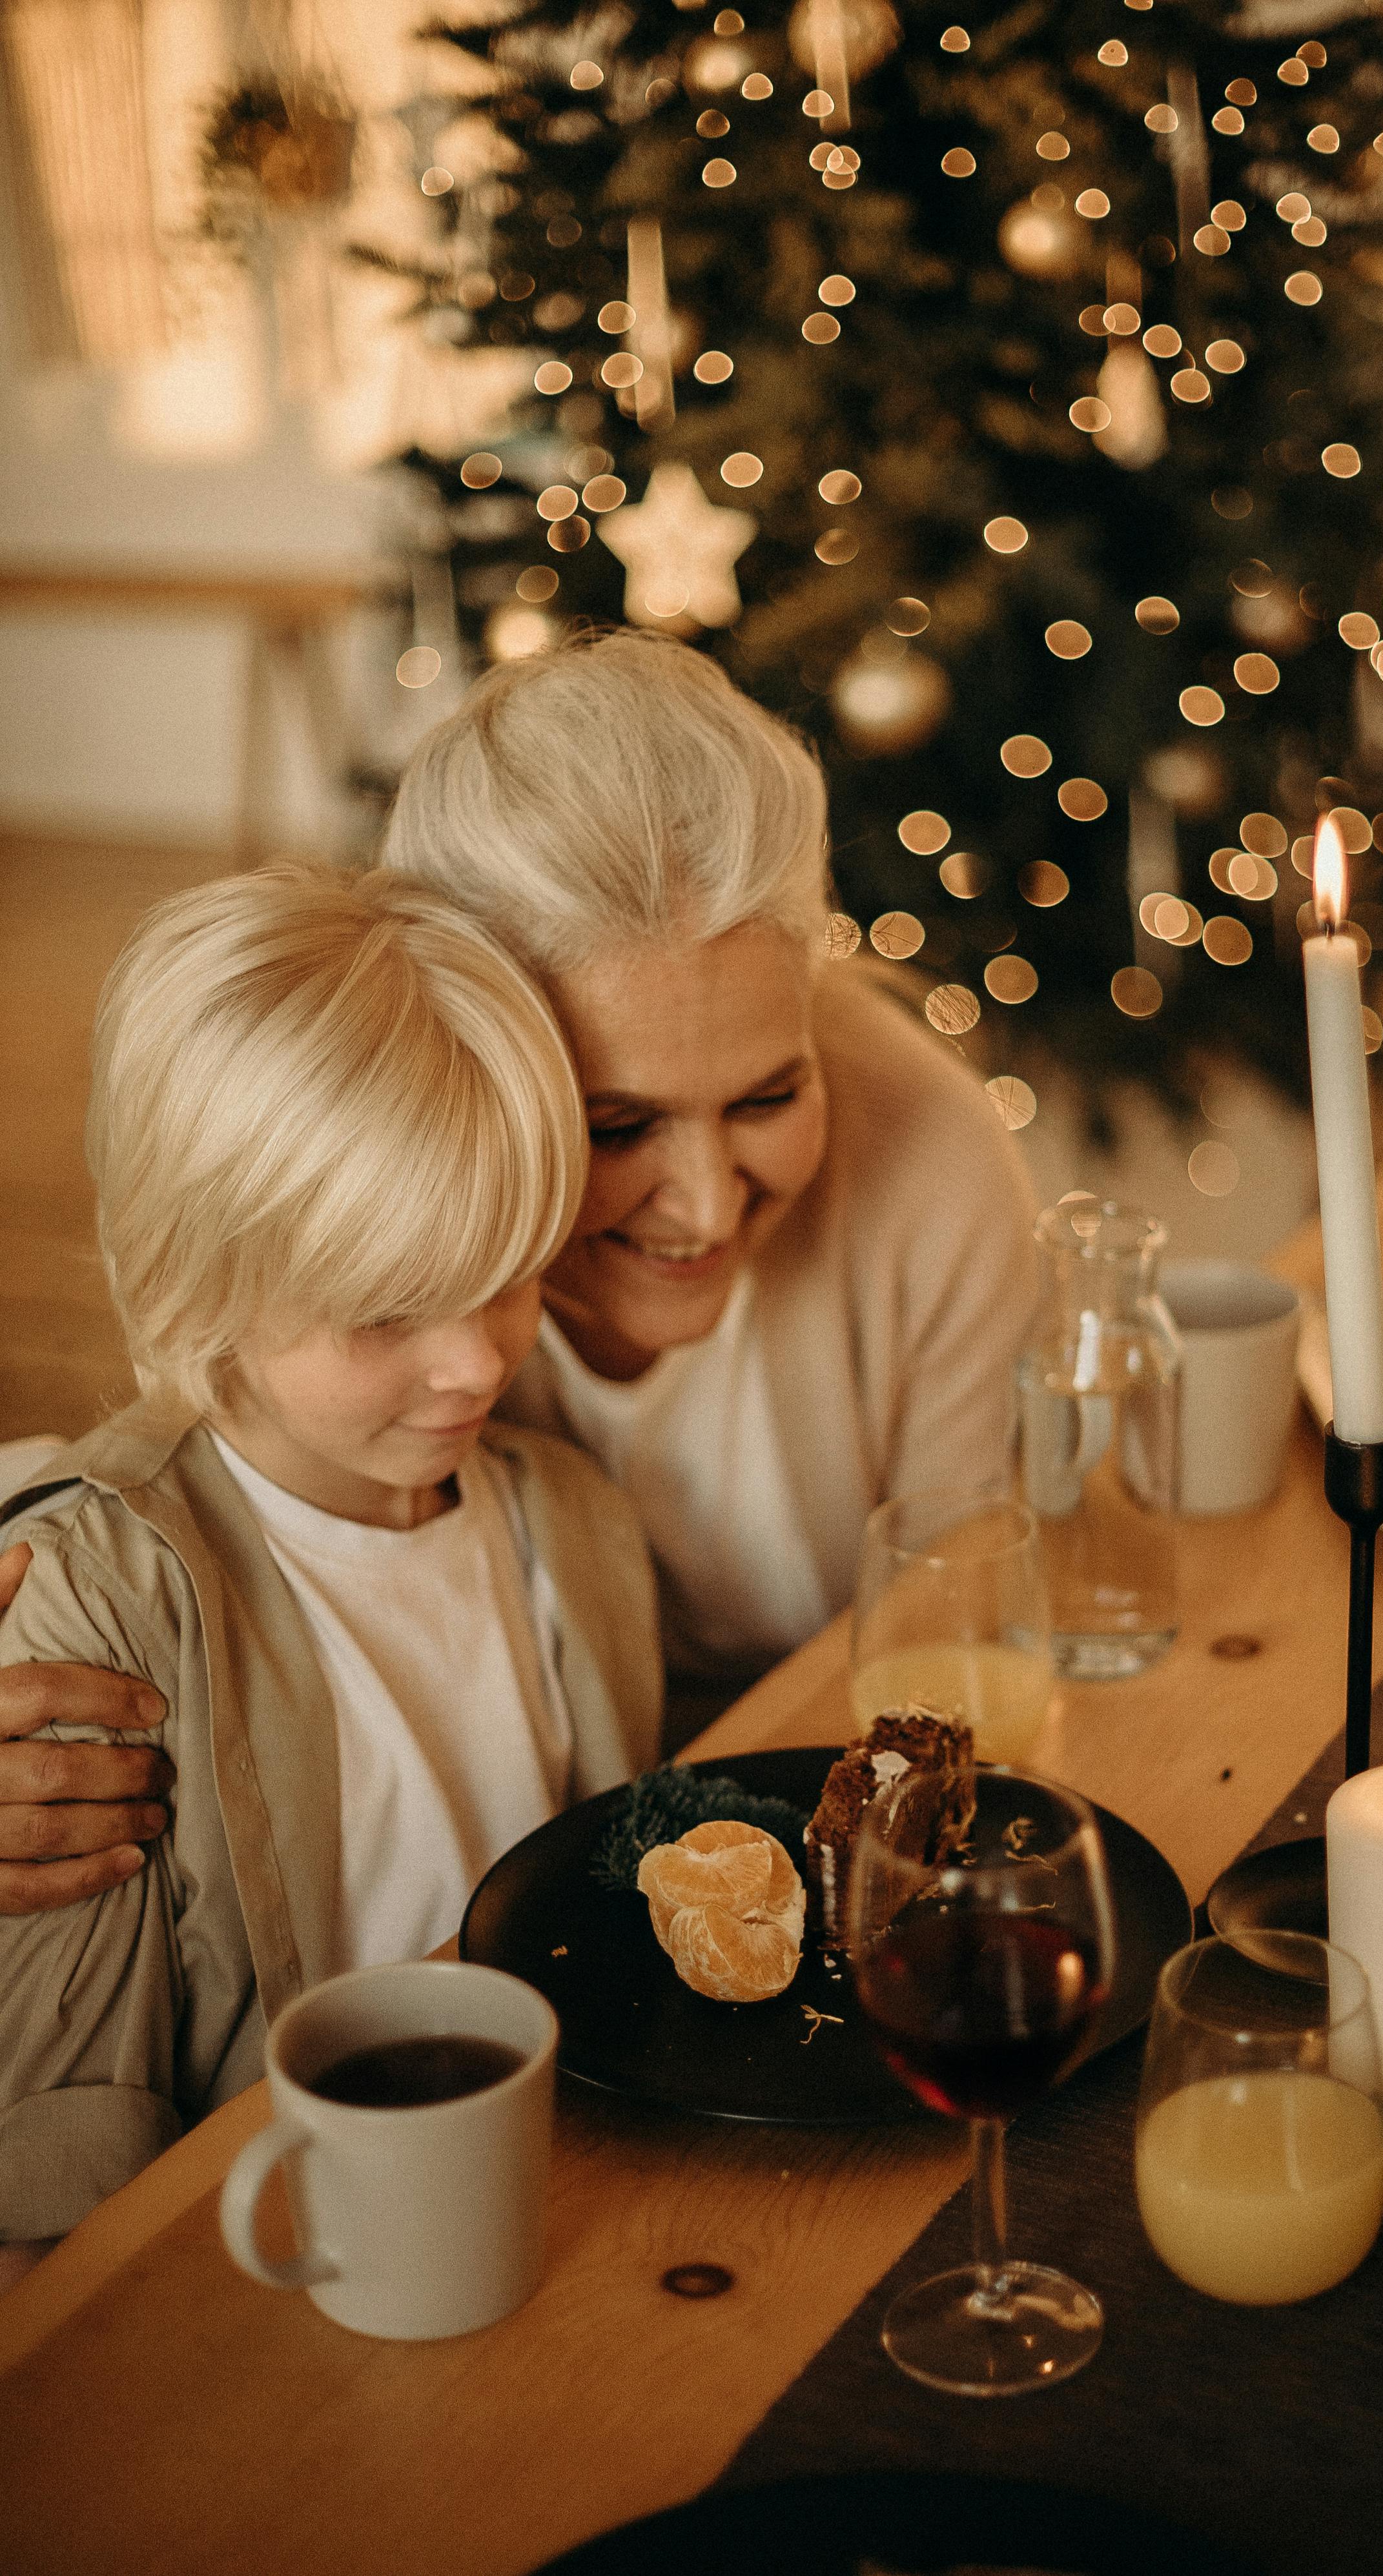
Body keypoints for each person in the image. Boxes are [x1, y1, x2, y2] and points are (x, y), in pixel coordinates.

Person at [0, 628, 1040, 1909]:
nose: (707, 1201)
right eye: (616, 1126)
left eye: (771, 1093)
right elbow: (185, 1428)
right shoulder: (359, 1246)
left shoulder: (930, 1158)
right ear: (455, 1047)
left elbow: (964, 1655)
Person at [0, 864, 659, 2280]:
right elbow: (57, 2183)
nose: (477, 1362)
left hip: (561, 2220)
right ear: (201, 1284)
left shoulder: (575, 1527)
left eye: (504, 1274)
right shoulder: (95, 1599)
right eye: (382, 1312)